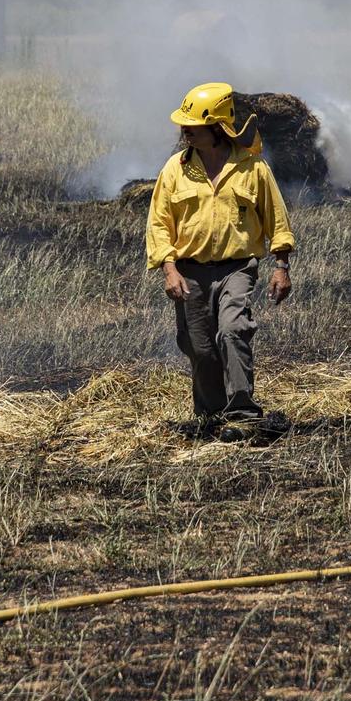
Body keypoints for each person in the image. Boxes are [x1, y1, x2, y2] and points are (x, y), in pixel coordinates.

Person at [145, 82, 295, 442]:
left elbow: (276, 219)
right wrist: (169, 269)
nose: (185, 132)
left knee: (232, 330)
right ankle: (211, 417)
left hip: (237, 268)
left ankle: (243, 414)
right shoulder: (174, 170)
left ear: (217, 128)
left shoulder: (252, 168)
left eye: (192, 126)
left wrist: (280, 266)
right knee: (198, 346)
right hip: (190, 272)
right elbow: (159, 223)